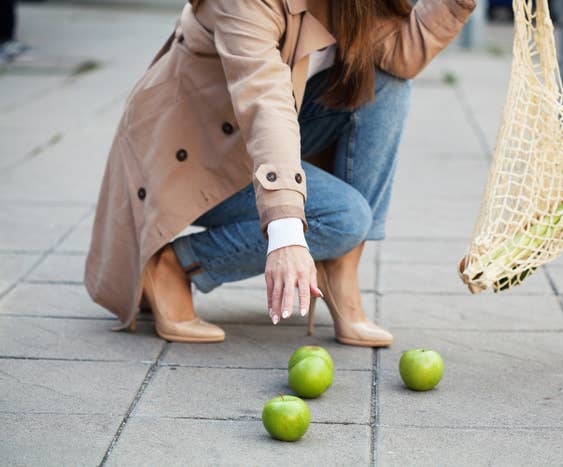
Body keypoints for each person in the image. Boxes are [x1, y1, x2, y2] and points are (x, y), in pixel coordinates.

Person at [85, 0, 476, 346]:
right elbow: (265, 103)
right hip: (196, 156)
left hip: (265, 133)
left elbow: (400, 54)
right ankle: (174, 263)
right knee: (343, 217)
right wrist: (287, 227)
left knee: (387, 79)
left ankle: (342, 272)